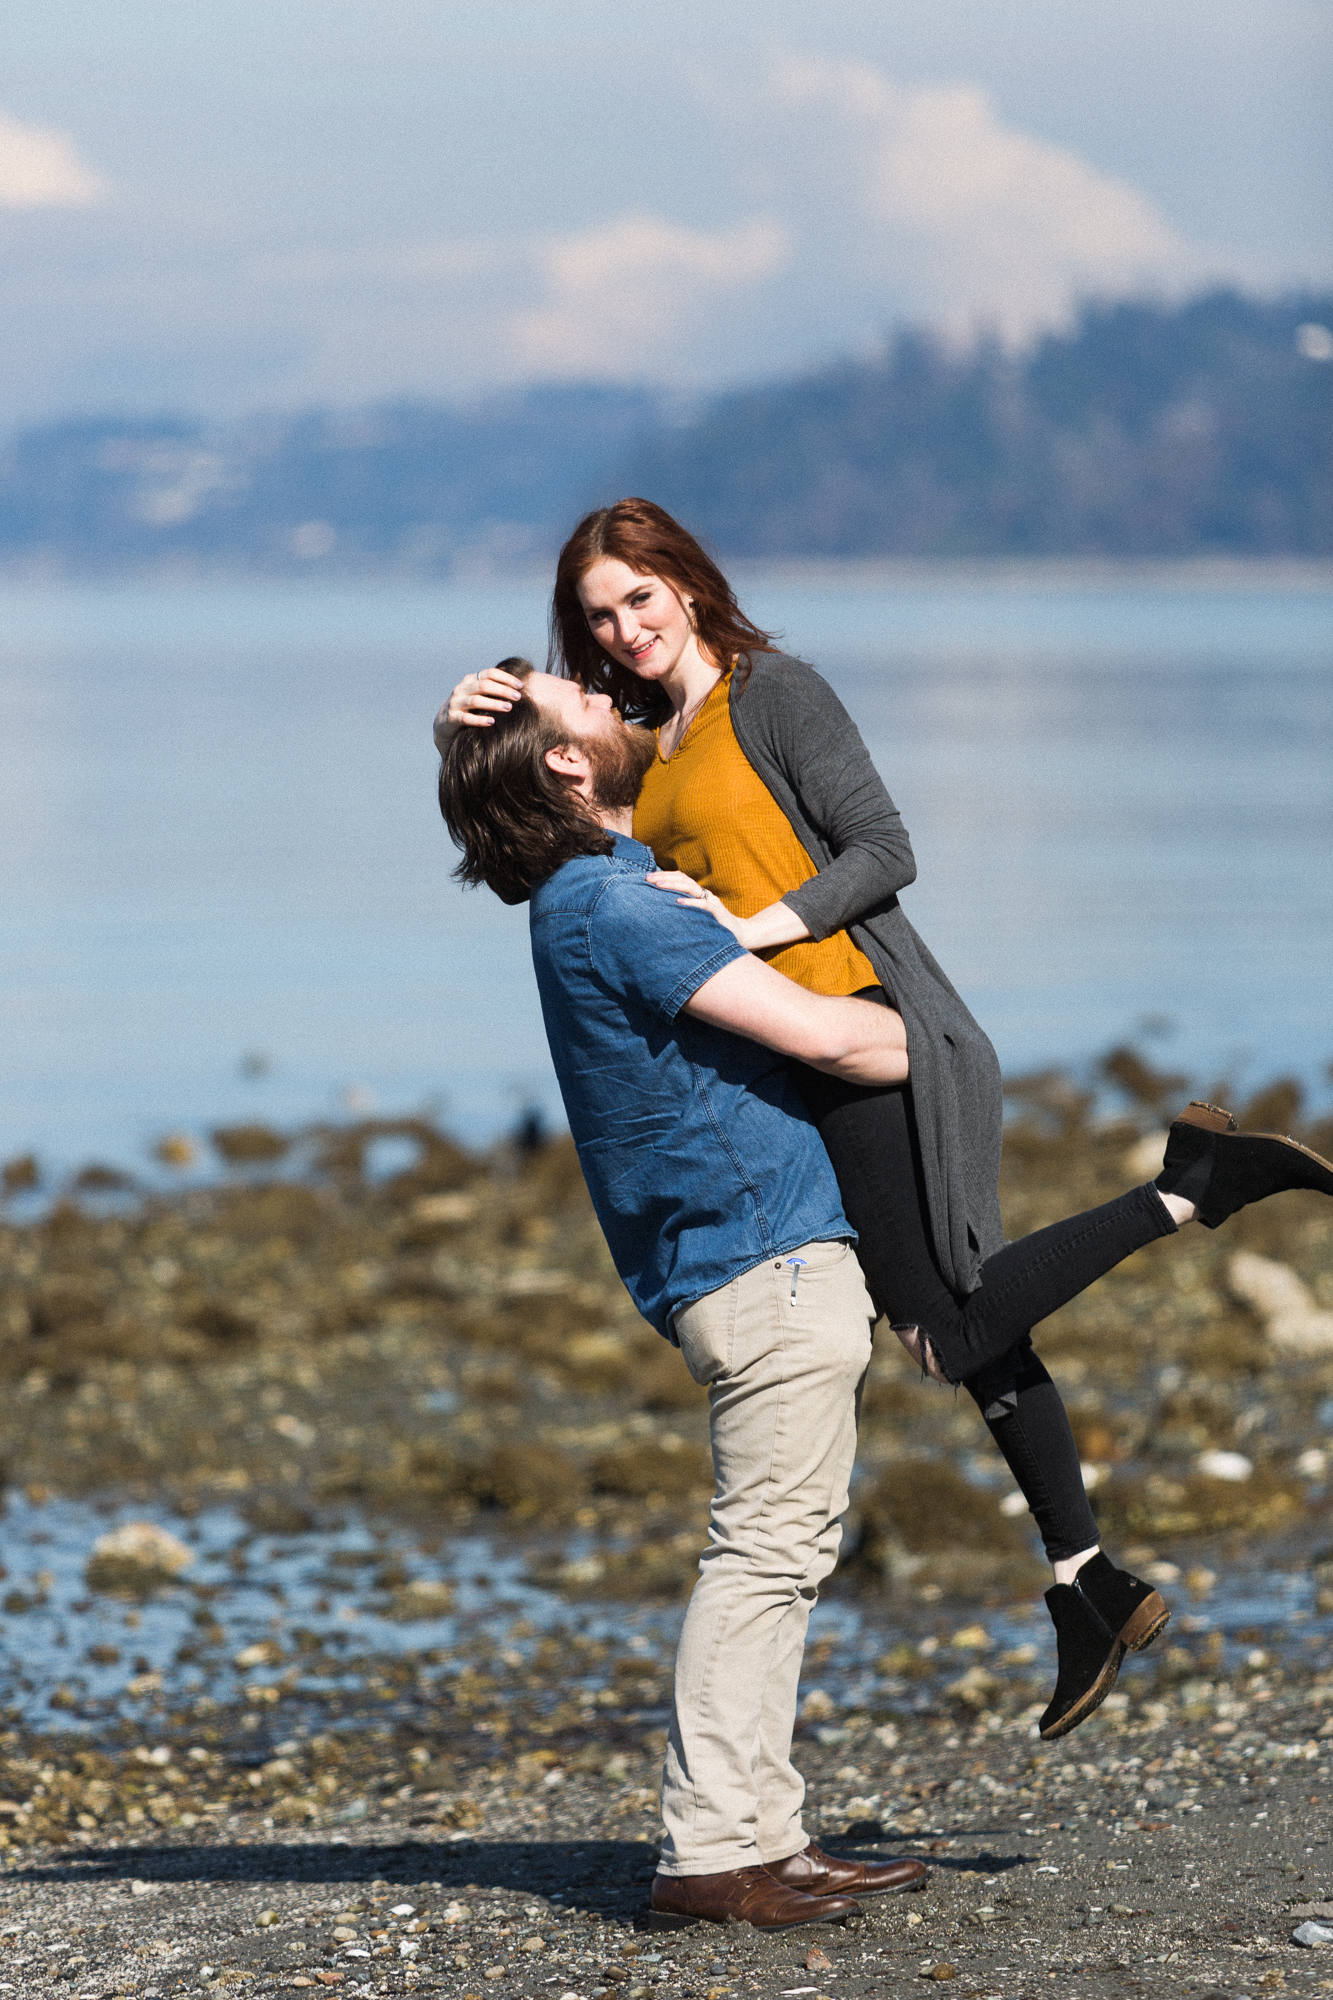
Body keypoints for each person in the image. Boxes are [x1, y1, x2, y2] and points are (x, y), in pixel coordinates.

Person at [437, 499, 1333, 1741]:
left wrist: (754, 927)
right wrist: (459, 726)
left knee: (944, 1327)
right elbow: (554, 805)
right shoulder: (646, 744)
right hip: (800, 1056)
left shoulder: (772, 694)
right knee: (966, 1308)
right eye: (597, 616)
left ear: (686, 582)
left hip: (865, 1025)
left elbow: (885, 848)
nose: (623, 629)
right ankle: (1085, 1577)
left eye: (640, 596)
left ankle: (1191, 1185)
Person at [438, 663, 931, 1929]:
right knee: (764, 1554)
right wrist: (933, 1042)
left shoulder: (577, 894)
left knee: (783, 1551)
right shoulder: (619, 903)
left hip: (738, 1259)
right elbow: (827, 1037)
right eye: (584, 701)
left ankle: (766, 1834)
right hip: (761, 1257)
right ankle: (713, 1850)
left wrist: (467, 733)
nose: (615, 697)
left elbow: (531, 792)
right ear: (564, 764)